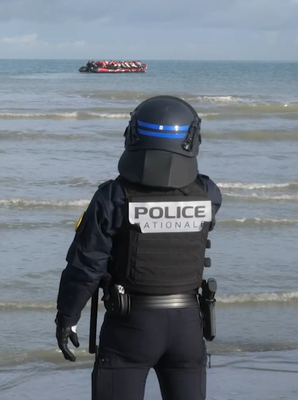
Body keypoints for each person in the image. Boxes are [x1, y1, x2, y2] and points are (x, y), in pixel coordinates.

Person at [54, 96, 222, 400]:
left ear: (133, 136)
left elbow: (86, 265)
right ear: (192, 139)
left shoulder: (113, 196)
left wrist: (67, 317)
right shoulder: (209, 194)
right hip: (188, 326)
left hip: (129, 328)